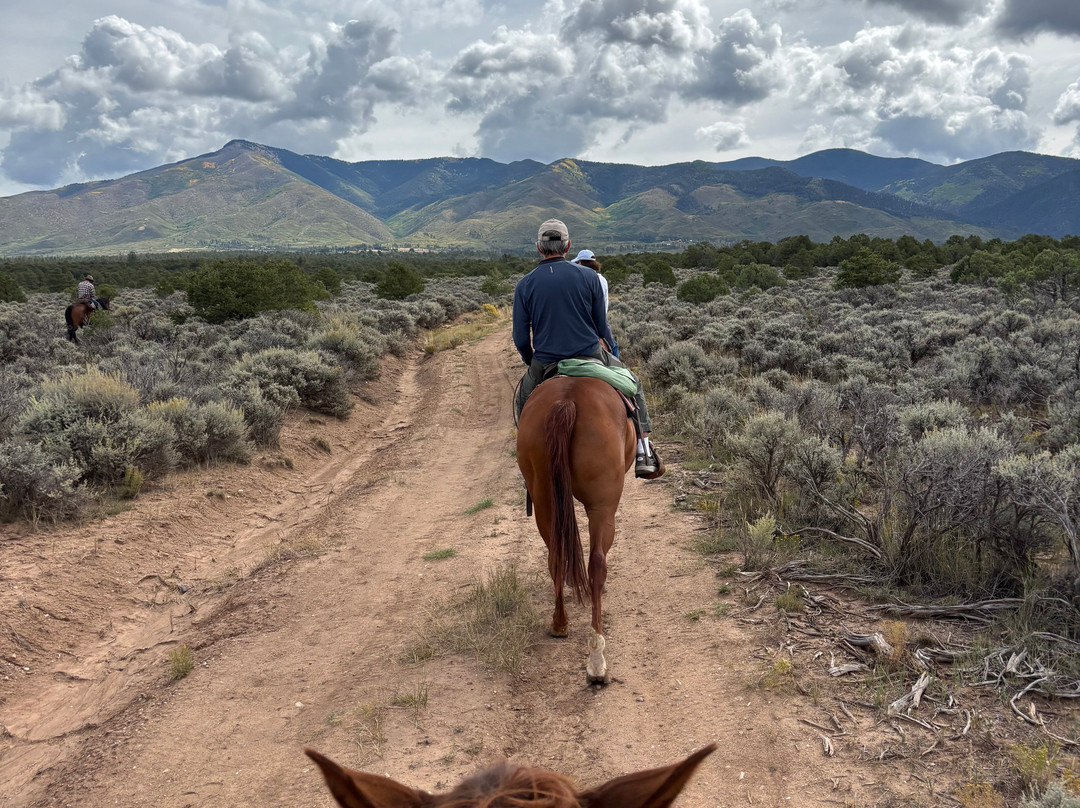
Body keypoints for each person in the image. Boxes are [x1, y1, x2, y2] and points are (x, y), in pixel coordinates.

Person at [513, 218, 661, 478]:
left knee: (523, 402)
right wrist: (613, 353)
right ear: (568, 246)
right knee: (634, 384)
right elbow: (602, 326)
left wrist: (531, 362)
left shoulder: (525, 285)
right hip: (590, 354)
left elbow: (521, 339)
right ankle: (643, 451)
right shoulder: (589, 276)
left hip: (546, 361)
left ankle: (530, 469)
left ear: (539, 247)